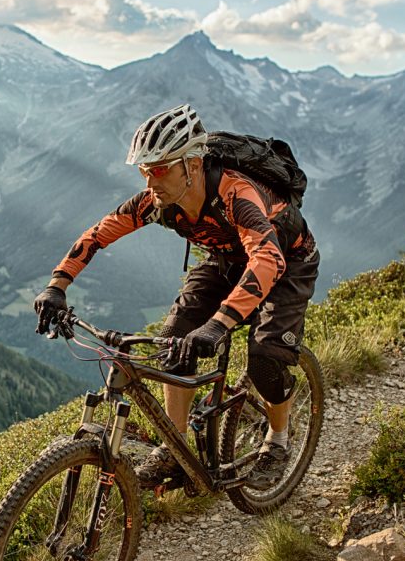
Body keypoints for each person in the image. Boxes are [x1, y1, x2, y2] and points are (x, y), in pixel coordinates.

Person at [33, 104, 319, 490]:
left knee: (266, 357)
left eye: (161, 168)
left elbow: (267, 260)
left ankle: (278, 441)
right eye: (144, 170)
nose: (151, 180)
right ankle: (175, 446)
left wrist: (218, 325)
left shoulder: (237, 194)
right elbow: (97, 235)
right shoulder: (157, 202)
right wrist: (57, 285)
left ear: (194, 164)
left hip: (288, 260)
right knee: (174, 340)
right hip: (226, 260)